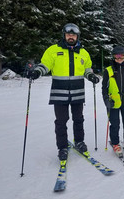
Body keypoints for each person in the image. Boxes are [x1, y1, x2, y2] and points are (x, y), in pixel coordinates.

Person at [26, 23, 100, 161]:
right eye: (68, 34)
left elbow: (87, 69)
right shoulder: (53, 50)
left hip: (78, 92)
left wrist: (91, 76)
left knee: (78, 119)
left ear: (77, 36)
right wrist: (37, 72)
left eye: (73, 35)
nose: (71, 37)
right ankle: (62, 148)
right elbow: (45, 65)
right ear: (64, 35)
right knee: (61, 121)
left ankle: (79, 141)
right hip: (59, 92)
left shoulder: (84, 52)